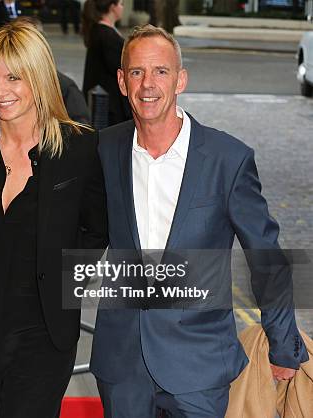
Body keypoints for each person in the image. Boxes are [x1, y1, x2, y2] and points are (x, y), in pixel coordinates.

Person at [92, 24, 309, 418]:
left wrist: (282, 344)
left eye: (161, 71)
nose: (148, 85)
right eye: (137, 72)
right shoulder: (104, 149)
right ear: (122, 82)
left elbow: (266, 259)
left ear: (181, 80)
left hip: (199, 367)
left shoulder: (228, 159)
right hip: (122, 364)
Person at [0, 21, 108, 418]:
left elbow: (97, 229)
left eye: (14, 77)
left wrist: (63, 282)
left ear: (38, 77)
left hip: (43, 333)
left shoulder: (79, 147)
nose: (0, 91)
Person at [82, 0, 131, 127]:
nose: (122, 7)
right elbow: (120, 67)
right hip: (109, 106)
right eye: (121, 4)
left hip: (102, 101)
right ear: (112, 7)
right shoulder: (107, 36)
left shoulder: (99, 30)